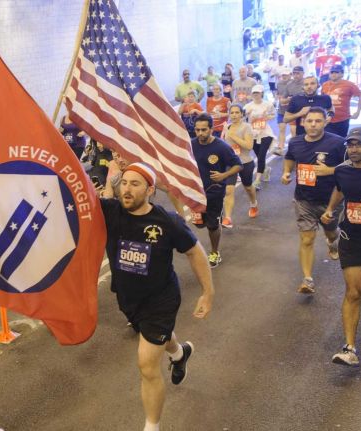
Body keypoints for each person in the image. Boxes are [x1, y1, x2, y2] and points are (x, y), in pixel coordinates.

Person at [99, 162, 214, 431]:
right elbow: (102, 195)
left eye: (135, 184)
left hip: (160, 300)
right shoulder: (111, 211)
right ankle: (179, 353)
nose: (126, 190)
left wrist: (208, 293)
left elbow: (195, 252)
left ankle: (152, 426)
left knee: (147, 365)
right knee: (158, 338)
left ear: (150, 189)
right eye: (124, 183)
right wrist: (111, 174)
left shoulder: (166, 221)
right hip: (128, 298)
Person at [319, 127, 361, 367]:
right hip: (352, 237)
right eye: (350, 145)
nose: (353, 149)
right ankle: (349, 348)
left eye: (359, 144)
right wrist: (329, 210)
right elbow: (339, 188)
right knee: (354, 292)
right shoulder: (342, 170)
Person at [281, 107, 345, 294]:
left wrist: (330, 171)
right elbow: (290, 158)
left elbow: (351, 167)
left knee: (331, 232)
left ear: (325, 122)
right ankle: (307, 280)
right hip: (304, 199)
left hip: (331, 200)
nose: (313, 124)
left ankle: (332, 241)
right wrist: (286, 173)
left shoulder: (338, 143)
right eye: (309, 121)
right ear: (303, 123)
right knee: (307, 239)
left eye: (318, 121)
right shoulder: (295, 142)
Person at [190, 114, 243, 267]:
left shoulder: (221, 146)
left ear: (211, 129)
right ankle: (209, 222)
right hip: (196, 192)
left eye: (204, 130)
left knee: (212, 225)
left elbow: (238, 165)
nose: (200, 133)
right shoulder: (191, 144)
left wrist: (223, 175)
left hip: (214, 192)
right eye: (197, 130)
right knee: (199, 224)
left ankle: (214, 252)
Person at [220, 105, 258, 228]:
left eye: (237, 112)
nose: (235, 115)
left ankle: (253, 204)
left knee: (248, 187)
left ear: (242, 114)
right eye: (232, 113)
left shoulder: (246, 127)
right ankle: (228, 218)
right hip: (230, 163)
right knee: (229, 189)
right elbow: (225, 144)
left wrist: (233, 135)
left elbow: (249, 146)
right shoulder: (228, 126)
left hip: (245, 162)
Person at [244, 85, 277, 188]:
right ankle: (266, 169)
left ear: (262, 93)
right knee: (258, 155)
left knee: (261, 156)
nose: (256, 95)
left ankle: (257, 181)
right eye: (254, 93)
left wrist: (266, 117)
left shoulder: (268, 104)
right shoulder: (248, 106)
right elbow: (243, 118)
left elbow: (273, 114)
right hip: (253, 133)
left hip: (265, 133)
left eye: (257, 93)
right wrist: (247, 115)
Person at [321, 65, 361, 138]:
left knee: (341, 141)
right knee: (327, 142)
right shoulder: (325, 85)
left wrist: (358, 112)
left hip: (343, 119)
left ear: (342, 74)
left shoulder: (349, 85)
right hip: (328, 119)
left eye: (336, 72)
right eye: (331, 72)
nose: (333, 74)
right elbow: (322, 100)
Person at [274, 68, 304, 155]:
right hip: (282, 110)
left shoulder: (299, 83)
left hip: (293, 112)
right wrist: (282, 99)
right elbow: (281, 97)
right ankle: (280, 148)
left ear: (289, 75)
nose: (284, 77)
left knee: (293, 131)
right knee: (282, 129)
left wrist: (292, 99)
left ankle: (294, 149)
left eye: (286, 75)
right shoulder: (280, 84)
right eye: (283, 75)